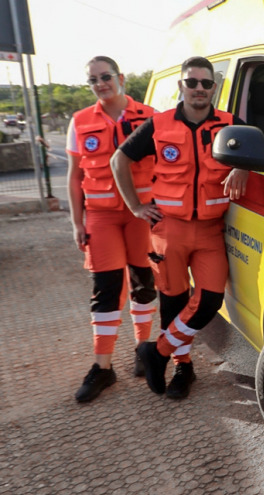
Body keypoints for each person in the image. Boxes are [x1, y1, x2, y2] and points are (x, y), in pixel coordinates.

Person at [110, 56, 248, 399]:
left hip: (210, 230)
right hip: (168, 229)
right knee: (173, 301)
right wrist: (136, 206)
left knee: (210, 300)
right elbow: (119, 160)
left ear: (214, 88)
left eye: (205, 83)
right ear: (181, 86)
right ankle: (183, 368)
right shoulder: (160, 124)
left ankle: (156, 352)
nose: (199, 89)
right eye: (192, 82)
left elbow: (259, 151)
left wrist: (243, 167)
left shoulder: (231, 126)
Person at [66, 56, 158, 403]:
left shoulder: (149, 115)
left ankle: (143, 351)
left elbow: (168, 165)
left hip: (141, 215)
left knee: (143, 283)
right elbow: (74, 176)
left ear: (120, 78)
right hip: (101, 217)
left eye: (106, 76)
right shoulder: (80, 121)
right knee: (105, 288)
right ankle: (102, 367)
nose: (101, 83)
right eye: (93, 79)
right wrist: (77, 222)